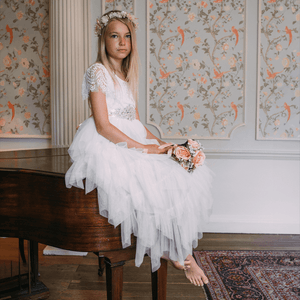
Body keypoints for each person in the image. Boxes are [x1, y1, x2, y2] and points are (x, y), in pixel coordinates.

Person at [65, 10, 213, 287]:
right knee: (148, 179)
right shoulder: (97, 71)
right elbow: (103, 126)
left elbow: (134, 121)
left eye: (128, 36)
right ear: (103, 40)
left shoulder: (124, 74)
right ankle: (177, 253)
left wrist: (160, 144)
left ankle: (179, 250)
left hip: (129, 136)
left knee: (177, 172)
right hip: (109, 142)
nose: (122, 42)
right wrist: (143, 151)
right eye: (115, 36)